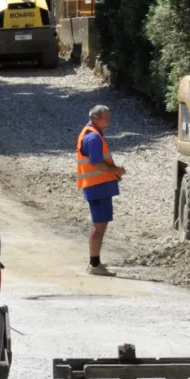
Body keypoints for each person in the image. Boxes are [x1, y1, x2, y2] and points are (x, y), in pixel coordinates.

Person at [76, 105, 125, 276]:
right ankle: (94, 265)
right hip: (97, 187)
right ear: (96, 118)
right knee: (99, 227)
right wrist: (116, 170)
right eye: (106, 117)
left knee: (99, 225)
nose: (109, 121)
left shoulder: (92, 135)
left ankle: (95, 264)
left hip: (97, 187)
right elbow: (97, 163)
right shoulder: (93, 137)